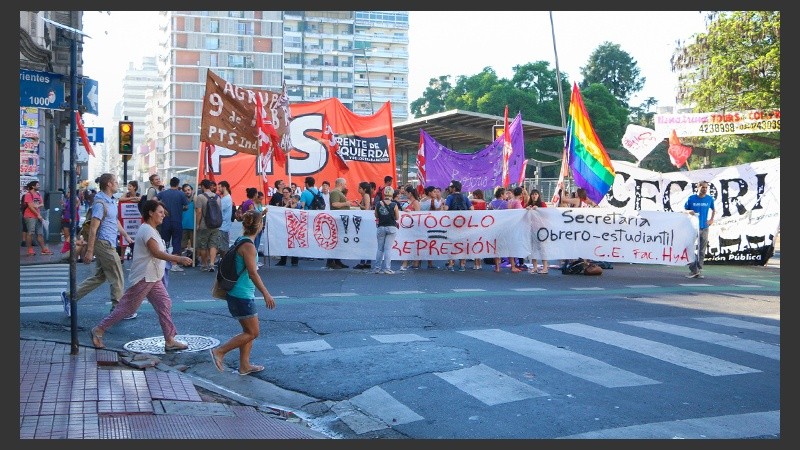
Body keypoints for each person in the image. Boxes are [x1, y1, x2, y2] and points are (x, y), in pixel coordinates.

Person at [89, 200, 194, 351]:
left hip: (153, 277)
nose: (163, 216)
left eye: (164, 213)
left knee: (165, 303)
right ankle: (99, 329)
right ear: (150, 213)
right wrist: (179, 259)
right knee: (128, 308)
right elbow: (156, 253)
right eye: (160, 212)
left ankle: (169, 339)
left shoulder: (151, 230)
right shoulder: (147, 231)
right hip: (145, 276)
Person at [209, 210, 277, 376]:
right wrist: (266, 294)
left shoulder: (242, 240)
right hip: (242, 295)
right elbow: (253, 273)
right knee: (253, 332)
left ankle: (244, 365)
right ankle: (220, 351)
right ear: (259, 226)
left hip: (238, 293)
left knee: (248, 332)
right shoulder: (249, 247)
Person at [61, 173, 135, 319]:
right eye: (115, 181)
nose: (117, 183)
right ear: (109, 184)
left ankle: (70, 296)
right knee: (117, 275)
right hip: (103, 243)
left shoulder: (111, 201)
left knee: (100, 277)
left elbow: (114, 221)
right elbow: (94, 228)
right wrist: (89, 251)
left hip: (109, 243)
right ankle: (117, 309)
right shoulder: (100, 203)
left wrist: (125, 235)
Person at [157, 176, 189, 271]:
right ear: (178, 184)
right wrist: (181, 208)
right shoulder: (181, 194)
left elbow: (154, 199)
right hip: (177, 221)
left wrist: (160, 208)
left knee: (164, 242)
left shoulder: (163, 193)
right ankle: (174, 264)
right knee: (176, 242)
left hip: (165, 221)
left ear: (170, 183)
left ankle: (162, 262)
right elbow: (186, 206)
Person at [685, 181, 715, 279]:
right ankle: (694, 269)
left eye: (706, 188)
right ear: (698, 187)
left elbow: (713, 209)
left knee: (702, 250)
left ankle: (698, 270)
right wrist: (689, 211)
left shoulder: (709, 199)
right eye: (703, 187)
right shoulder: (691, 198)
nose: (705, 189)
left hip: (704, 227)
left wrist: (711, 219)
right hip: (692, 228)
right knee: (689, 248)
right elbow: (684, 210)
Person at [443, 180, 472, 271]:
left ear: (454, 188)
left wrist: (443, 206)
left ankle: (451, 263)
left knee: (451, 242)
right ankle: (462, 264)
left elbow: (446, 209)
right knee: (462, 243)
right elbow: (472, 209)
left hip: (452, 224)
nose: (449, 189)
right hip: (463, 224)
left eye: (451, 187)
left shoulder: (450, 197)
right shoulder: (465, 197)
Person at [194, 179, 221, 272]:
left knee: (203, 245)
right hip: (216, 225)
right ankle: (212, 264)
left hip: (204, 225)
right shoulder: (217, 197)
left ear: (202, 186)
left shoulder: (200, 197)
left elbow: (199, 212)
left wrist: (197, 224)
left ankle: (205, 264)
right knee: (213, 244)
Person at [373, 186, 400, 274]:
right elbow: (397, 217)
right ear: (392, 194)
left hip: (381, 227)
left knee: (380, 249)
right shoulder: (394, 205)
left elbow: (376, 216)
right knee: (388, 249)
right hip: (391, 227)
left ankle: (377, 268)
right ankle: (387, 268)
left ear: (384, 193)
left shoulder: (378, 204)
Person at [22, 180, 52, 256]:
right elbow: (31, 207)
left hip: (38, 216)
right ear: (33, 186)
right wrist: (37, 214)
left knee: (40, 233)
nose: (39, 186)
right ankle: (30, 250)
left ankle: (44, 249)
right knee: (30, 233)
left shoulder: (38, 194)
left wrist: (37, 206)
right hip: (30, 216)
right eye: (37, 185)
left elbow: (42, 204)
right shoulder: (28, 195)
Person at [326, 177, 350, 269]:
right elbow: (334, 204)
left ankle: (337, 260)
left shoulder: (337, 192)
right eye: (345, 184)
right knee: (335, 240)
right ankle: (331, 261)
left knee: (338, 240)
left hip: (340, 218)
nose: (345, 186)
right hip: (337, 219)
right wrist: (346, 204)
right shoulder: (335, 192)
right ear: (341, 184)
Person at [272, 185, 299, 267]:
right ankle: (283, 260)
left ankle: (294, 260)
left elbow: (297, 209)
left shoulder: (294, 201)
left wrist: (291, 203)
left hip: (293, 224)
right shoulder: (281, 202)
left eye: (286, 192)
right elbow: (278, 211)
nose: (285, 194)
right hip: (283, 225)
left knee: (294, 242)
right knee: (283, 242)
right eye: (283, 192)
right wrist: (286, 205)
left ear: (290, 193)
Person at [526, 188, 550, 275]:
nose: (534, 196)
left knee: (542, 248)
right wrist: (526, 209)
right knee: (532, 249)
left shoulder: (542, 204)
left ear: (538, 195)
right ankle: (535, 267)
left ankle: (545, 267)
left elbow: (547, 214)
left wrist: (539, 210)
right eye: (532, 194)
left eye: (536, 194)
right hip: (532, 229)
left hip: (541, 229)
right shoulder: (528, 205)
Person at [399, 185, 421, 271]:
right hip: (408, 227)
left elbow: (418, 215)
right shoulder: (411, 202)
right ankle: (413, 263)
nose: (405, 195)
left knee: (410, 244)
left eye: (406, 193)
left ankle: (408, 263)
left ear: (410, 193)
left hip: (413, 227)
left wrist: (410, 212)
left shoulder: (415, 202)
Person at [354, 181, 374, 270]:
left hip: (366, 221)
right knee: (367, 242)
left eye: (360, 188)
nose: (358, 190)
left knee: (364, 242)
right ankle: (367, 262)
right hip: (367, 221)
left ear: (364, 189)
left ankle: (363, 262)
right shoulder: (366, 196)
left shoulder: (366, 196)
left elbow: (366, 208)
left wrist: (359, 205)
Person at [217, 180, 234, 261]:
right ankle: (224, 261)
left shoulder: (226, 199)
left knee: (223, 246)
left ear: (224, 187)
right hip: (223, 225)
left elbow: (218, 210)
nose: (218, 189)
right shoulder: (225, 198)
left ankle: (225, 261)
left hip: (223, 226)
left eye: (220, 187)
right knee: (221, 245)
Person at [469, 189, 487, 270]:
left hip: (474, 224)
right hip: (481, 225)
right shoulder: (484, 202)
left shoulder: (474, 202)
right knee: (480, 244)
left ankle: (476, 263)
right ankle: (478, 263)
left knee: (474, 244)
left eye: (474, 195)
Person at [180, 183, 195, 262]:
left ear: (192, 190)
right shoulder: (181, 201)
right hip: (183, 226)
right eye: (185, 191)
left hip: (193, 226)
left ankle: (193, 260)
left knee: (194, 245)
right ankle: (182, 260)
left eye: (188, 190)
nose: (187, 192)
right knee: (182, 245)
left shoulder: (195, 200)